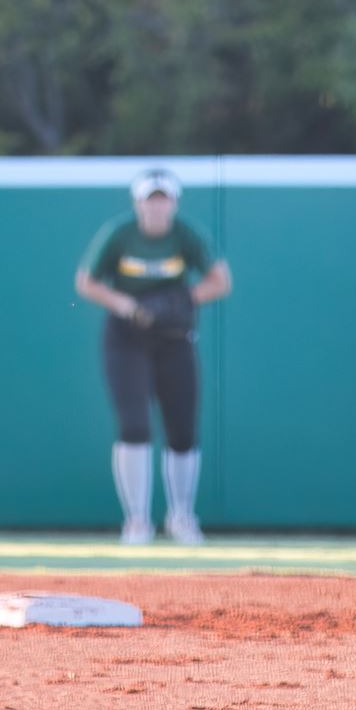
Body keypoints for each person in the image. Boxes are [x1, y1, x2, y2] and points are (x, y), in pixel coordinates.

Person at [74, 169, 233, 545]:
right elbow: (86, 281)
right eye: (151, 199)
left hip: (174, 337)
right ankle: (137, 521)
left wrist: (178, 300)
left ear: (174, 203)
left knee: (181, 429)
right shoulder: (120, 233)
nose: (157, 206)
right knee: (134, 425)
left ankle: (181, 517)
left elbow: (220, 280)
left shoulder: (186, 235)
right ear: (138, 203)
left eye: (164, 199)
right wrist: (127, 305)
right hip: (126, 337)